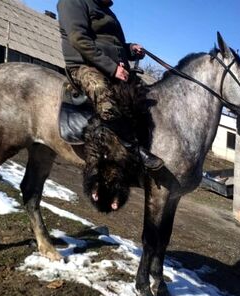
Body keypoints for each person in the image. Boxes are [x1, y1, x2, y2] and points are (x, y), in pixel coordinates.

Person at [57, 0, 164, 170]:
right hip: (84, 66)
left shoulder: (106, 10)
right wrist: (112, 68)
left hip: (113, 68)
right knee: (102, 92)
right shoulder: (73, 2)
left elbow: (113, 44)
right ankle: (134, 150)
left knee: (145, 96)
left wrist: (130, 49)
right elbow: (79, 39)